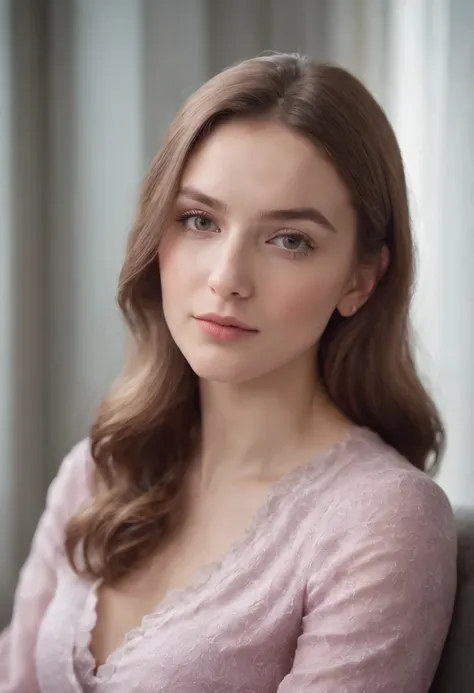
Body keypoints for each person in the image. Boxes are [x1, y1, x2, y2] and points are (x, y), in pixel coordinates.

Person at [0, 52, 457, 693]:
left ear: (360, 278)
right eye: (199, 221)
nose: (226, 279)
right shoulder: (102, 467)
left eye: (289, 239)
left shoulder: (381, 521)